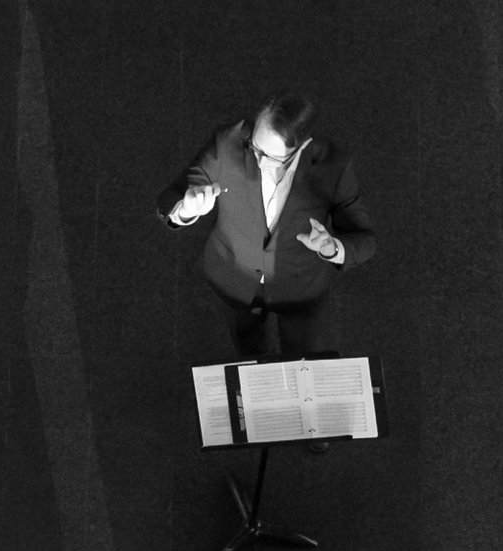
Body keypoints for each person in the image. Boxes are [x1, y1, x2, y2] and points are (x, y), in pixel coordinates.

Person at [156, 91, 376, 359]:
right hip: (235, 279)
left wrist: (332, 247)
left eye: (272, 158)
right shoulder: (228, 142)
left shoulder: (333, 165)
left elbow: (365, 239)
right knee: (250, 355)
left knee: (303, 363)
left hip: (300, 288)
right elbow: (171, 196)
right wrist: (185, 210)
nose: (259, 162)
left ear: (302, 147)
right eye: (255, 148)